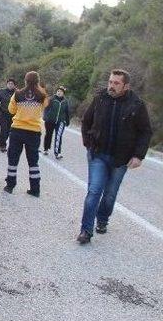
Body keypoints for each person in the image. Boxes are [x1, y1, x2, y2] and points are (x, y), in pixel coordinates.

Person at [76, 69, 152, 244]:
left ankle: (102, 219)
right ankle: (85, 231)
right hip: (98, 155)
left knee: (110, 194)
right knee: (94, 191)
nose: (111, 86)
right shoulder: (100, 98)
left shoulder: (136, 105)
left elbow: (145, 132)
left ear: (126, 86)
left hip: (120, 159)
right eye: (110, 82)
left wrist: (138, 156)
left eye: (116, 83)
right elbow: (86, 120)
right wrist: (88, 143)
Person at [3, 71, 49, 198]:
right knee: (33, 161)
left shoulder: (17, 94)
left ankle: (10, 185)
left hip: (17, 130)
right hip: (34, 132)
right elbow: (45, 105)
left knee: (13, 158)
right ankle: (35, 189)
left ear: (25, 81)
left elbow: (11, 110)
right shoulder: (42, 95)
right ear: (38, 82)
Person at [43, 86, 70, 159]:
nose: (59, 92)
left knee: (58, 136)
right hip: (50, 120)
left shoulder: (65, 101)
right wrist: (45, 117)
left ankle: (57, 153)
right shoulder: (51, 99)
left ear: (63, 93)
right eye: (58, 91)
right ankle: (46, 149)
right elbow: (46, 109)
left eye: (61, 91)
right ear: (56, 92)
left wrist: (67, 121)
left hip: (60, 121)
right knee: (48, 134)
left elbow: (67, 112)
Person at [0, 78, 17, 152]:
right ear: (7, 84)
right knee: (3, 129)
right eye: (9, 84)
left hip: (12, 115)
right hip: (3, 114)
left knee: (8, 131)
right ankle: (2, 145)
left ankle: (4, 140)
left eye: (12, 84)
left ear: (14, 85)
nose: (10, 85)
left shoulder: (17, 93)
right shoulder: (2, 92)